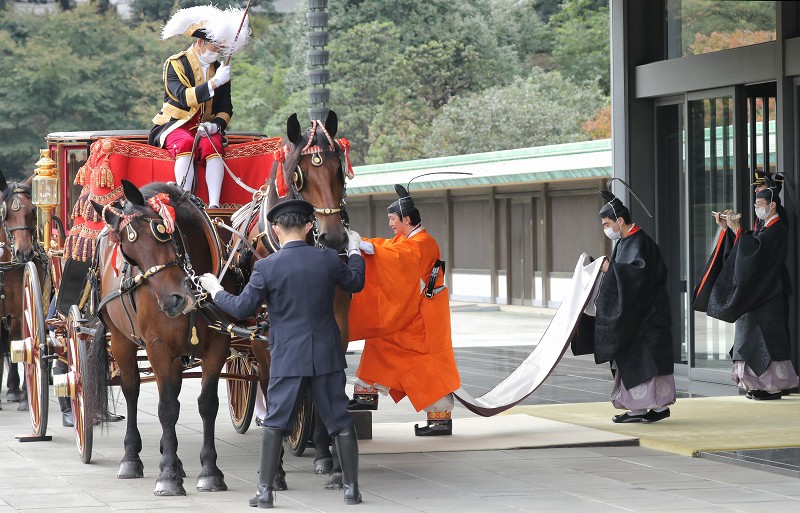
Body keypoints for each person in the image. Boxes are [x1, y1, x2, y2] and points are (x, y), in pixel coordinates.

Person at [198, 199, 365, 508]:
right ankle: (352, 490)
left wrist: (214, 289)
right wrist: (353, 250)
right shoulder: (328, 259)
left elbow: (241, 308)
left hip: (288, 357)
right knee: (340, 421)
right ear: (308, 227)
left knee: (275, 422)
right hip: (327, 354)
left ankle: (265, 492)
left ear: (275, 228)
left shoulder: (266, 267)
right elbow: (356, 281)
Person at [348, 185, 461, 436]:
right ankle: (366, 392)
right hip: (414, 310)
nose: (390, 224)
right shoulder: (407, 240)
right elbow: (390, 247)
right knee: (379, 339)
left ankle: (440, 417)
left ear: (406, 219)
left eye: (392, 219)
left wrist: (366, 248)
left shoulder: (423, 243)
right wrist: (363, 243)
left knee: (424, 362)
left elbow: (397, 258)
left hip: (424, 316)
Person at [581, 189, 675, 423]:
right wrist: (609, 268)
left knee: (641, 361)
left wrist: (609, 269)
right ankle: (649, 408)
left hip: (647, 318)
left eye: (606, 223)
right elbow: (625, 273)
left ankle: (643, 409)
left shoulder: (640, 242)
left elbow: (637, 276)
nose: (605, 228)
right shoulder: (627, 241)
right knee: (638, 361)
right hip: (639, 316)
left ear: (619, 221)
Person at [700, 179, 799, 400]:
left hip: (769, 293)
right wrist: (729, 230)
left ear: (772, 205)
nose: (757, 208)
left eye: (760, 203)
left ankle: (773, 386)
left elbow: (756, 255)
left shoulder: (778, 228)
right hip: (755, 293)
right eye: (755, 204)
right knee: (747, 337)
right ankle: (755, 384)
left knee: (767, 339)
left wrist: (738, 231)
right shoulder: (763, 226)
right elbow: (748, 248)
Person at [148, 5, 249, 208]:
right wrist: (213, 83)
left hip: (205, 128)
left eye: (222, 49)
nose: (218, 53)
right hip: (175, 125)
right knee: (185, 143)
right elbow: (183, 97)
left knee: (213, 144)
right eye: (215, 48)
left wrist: (216, 125)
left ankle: (214, 204)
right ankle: (185, 201)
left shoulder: (220, 69)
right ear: (201, 42)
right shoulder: (175, 64)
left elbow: (226, 108)